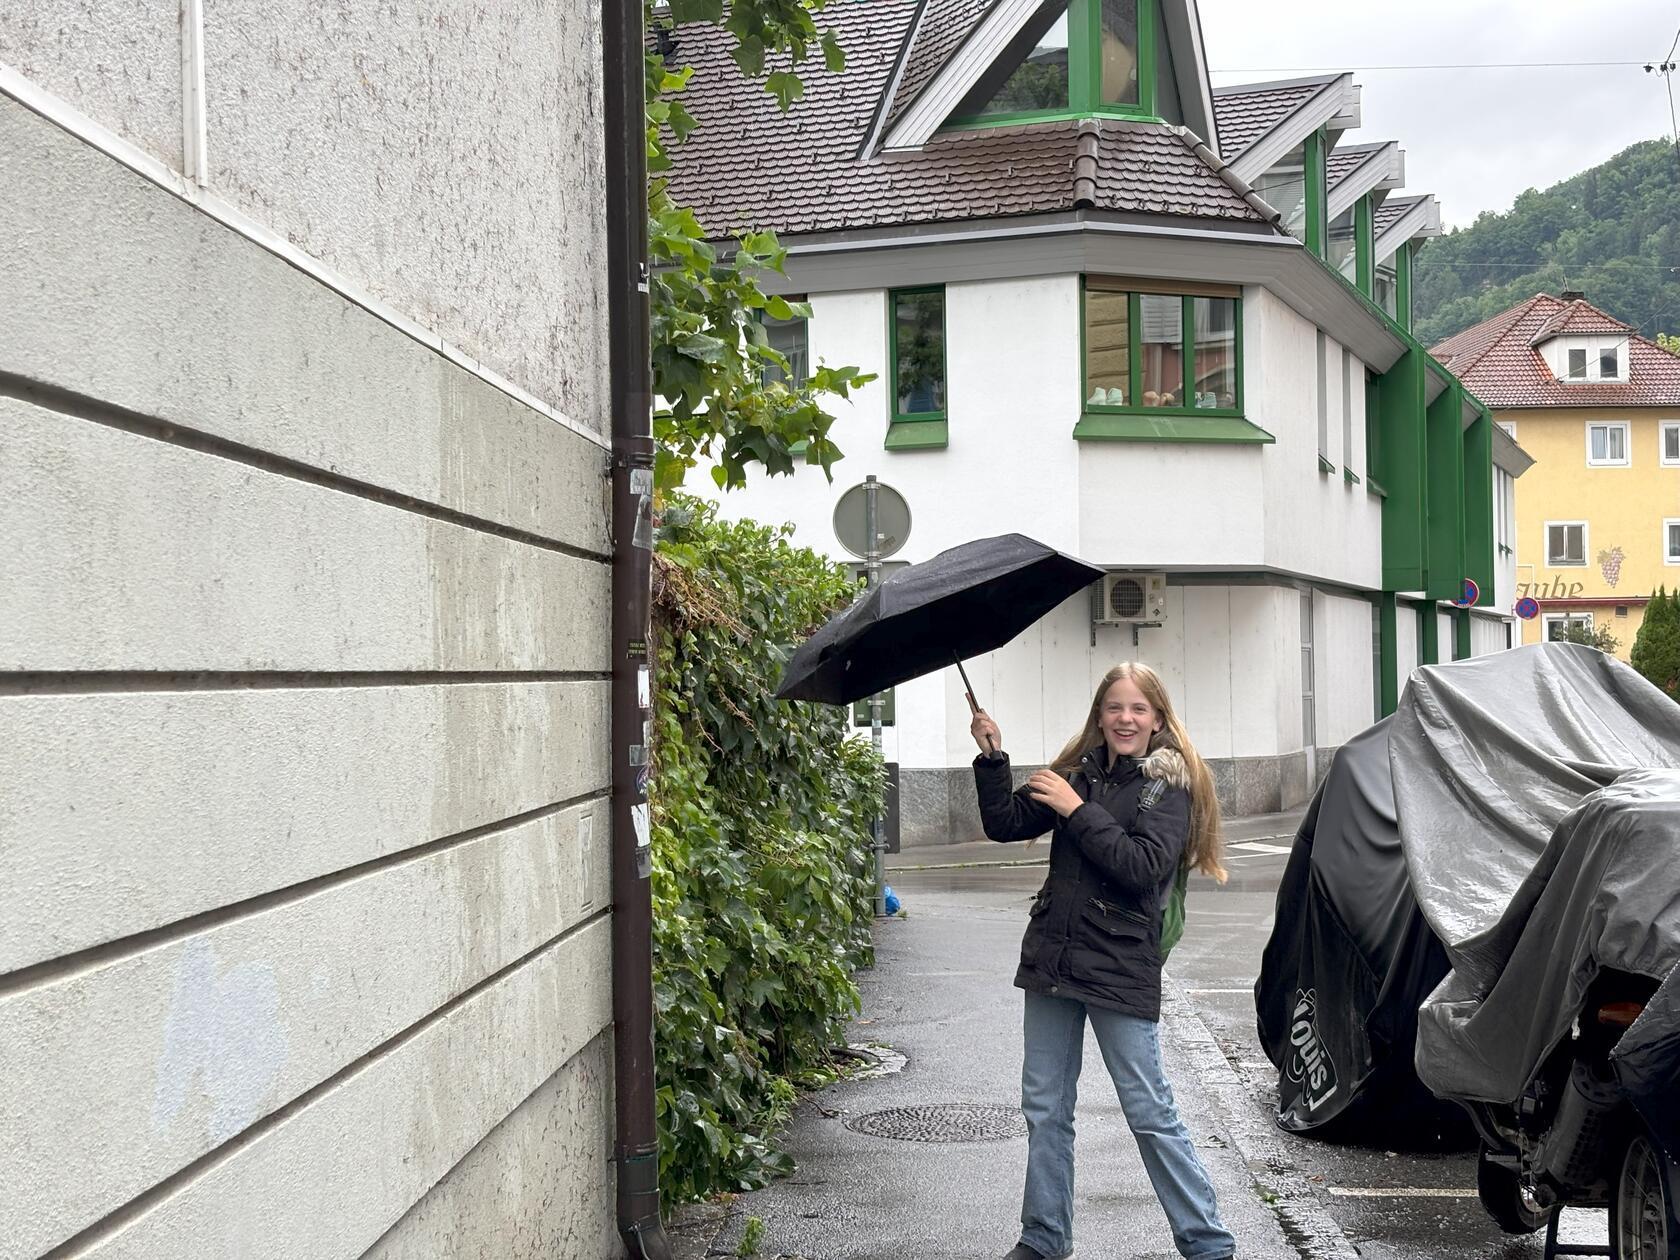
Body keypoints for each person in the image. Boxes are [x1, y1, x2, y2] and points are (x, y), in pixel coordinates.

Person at [970, 662, 1235, 1260]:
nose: (1125, 718)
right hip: (1054, 961)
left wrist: (1074, 810)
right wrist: (993, 758)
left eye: (1138, 708)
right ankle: (1042, 1239)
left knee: (1149, 1111)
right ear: (1100, 715)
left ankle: (1208, 1244)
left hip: (1119, 965)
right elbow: (1004, 824)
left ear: (1158, 719)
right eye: (1115, 707)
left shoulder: (1168, 789)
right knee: (1044, 1108)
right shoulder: (1077, 775)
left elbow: (1142, 868)